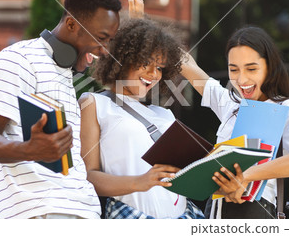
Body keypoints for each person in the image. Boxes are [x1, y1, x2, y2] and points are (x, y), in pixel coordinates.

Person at [0, 0, 127, 219]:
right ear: (72, 24)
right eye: (101, 38)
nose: (105, 50)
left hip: (85, 211)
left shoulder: (65, 78)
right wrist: (28, 149)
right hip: (42, 211)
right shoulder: (19, 58)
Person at [180, 26, 289, 219]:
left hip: (254, 213)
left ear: (269, 67)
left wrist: (245, 176)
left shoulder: (285, 107)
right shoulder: (231, 104)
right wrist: (141, 22)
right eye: (234, 69)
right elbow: (186, 63)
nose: (241, 79)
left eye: (251, 68)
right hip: (215, 212)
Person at [79, 18, 204, 219]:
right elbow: (88, 177)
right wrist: (141, 181)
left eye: (160, 67)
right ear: (122, 59)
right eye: (145, 63)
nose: (153, 74)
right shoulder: (95, 104)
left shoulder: (164, 114)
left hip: (184, 216)